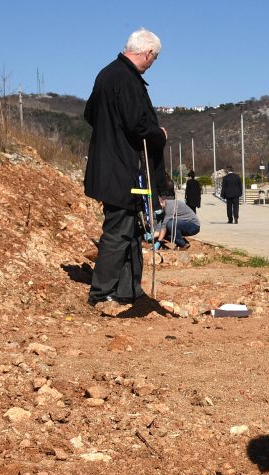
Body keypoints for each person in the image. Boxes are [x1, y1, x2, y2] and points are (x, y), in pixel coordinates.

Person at [83, 28, 167, 308]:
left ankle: (129, 290)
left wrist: (110, 133)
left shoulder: (106, 74)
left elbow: (89, 113)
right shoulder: (128, 80)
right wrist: (160, 135)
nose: (151, 65)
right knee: (119, 231)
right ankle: (102, 292)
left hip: (110, 164)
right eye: (153, 60)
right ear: (147, 53)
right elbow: (137, 125)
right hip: (121, 168)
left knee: (131, 229)